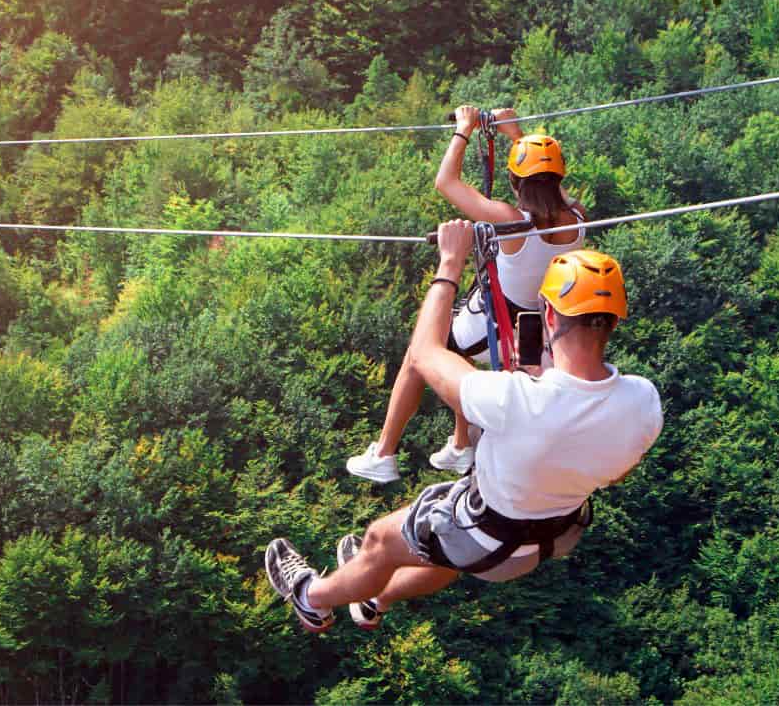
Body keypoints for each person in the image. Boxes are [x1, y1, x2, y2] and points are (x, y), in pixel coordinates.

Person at [267, 220, 662, 633]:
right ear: (615, 321)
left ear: (548, 313)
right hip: (551, 537)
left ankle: (311, 599)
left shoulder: (515, 399)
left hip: (486, 537)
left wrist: (450, 263)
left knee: (379, 542)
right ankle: (375, 599)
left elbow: (424, 353)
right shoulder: (643, 402)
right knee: (443, 552)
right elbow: (617, 471)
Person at [347, 105, 587, 483]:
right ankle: (461, 445)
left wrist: (463, 129)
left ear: (514, 180)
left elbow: (446, 182)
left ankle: (384, 453)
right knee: (460, 357)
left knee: (419, 353)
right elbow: (547, 182)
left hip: (498, 320)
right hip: (537, 326)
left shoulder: (510, 221)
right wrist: (515, 135)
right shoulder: (578, 217)